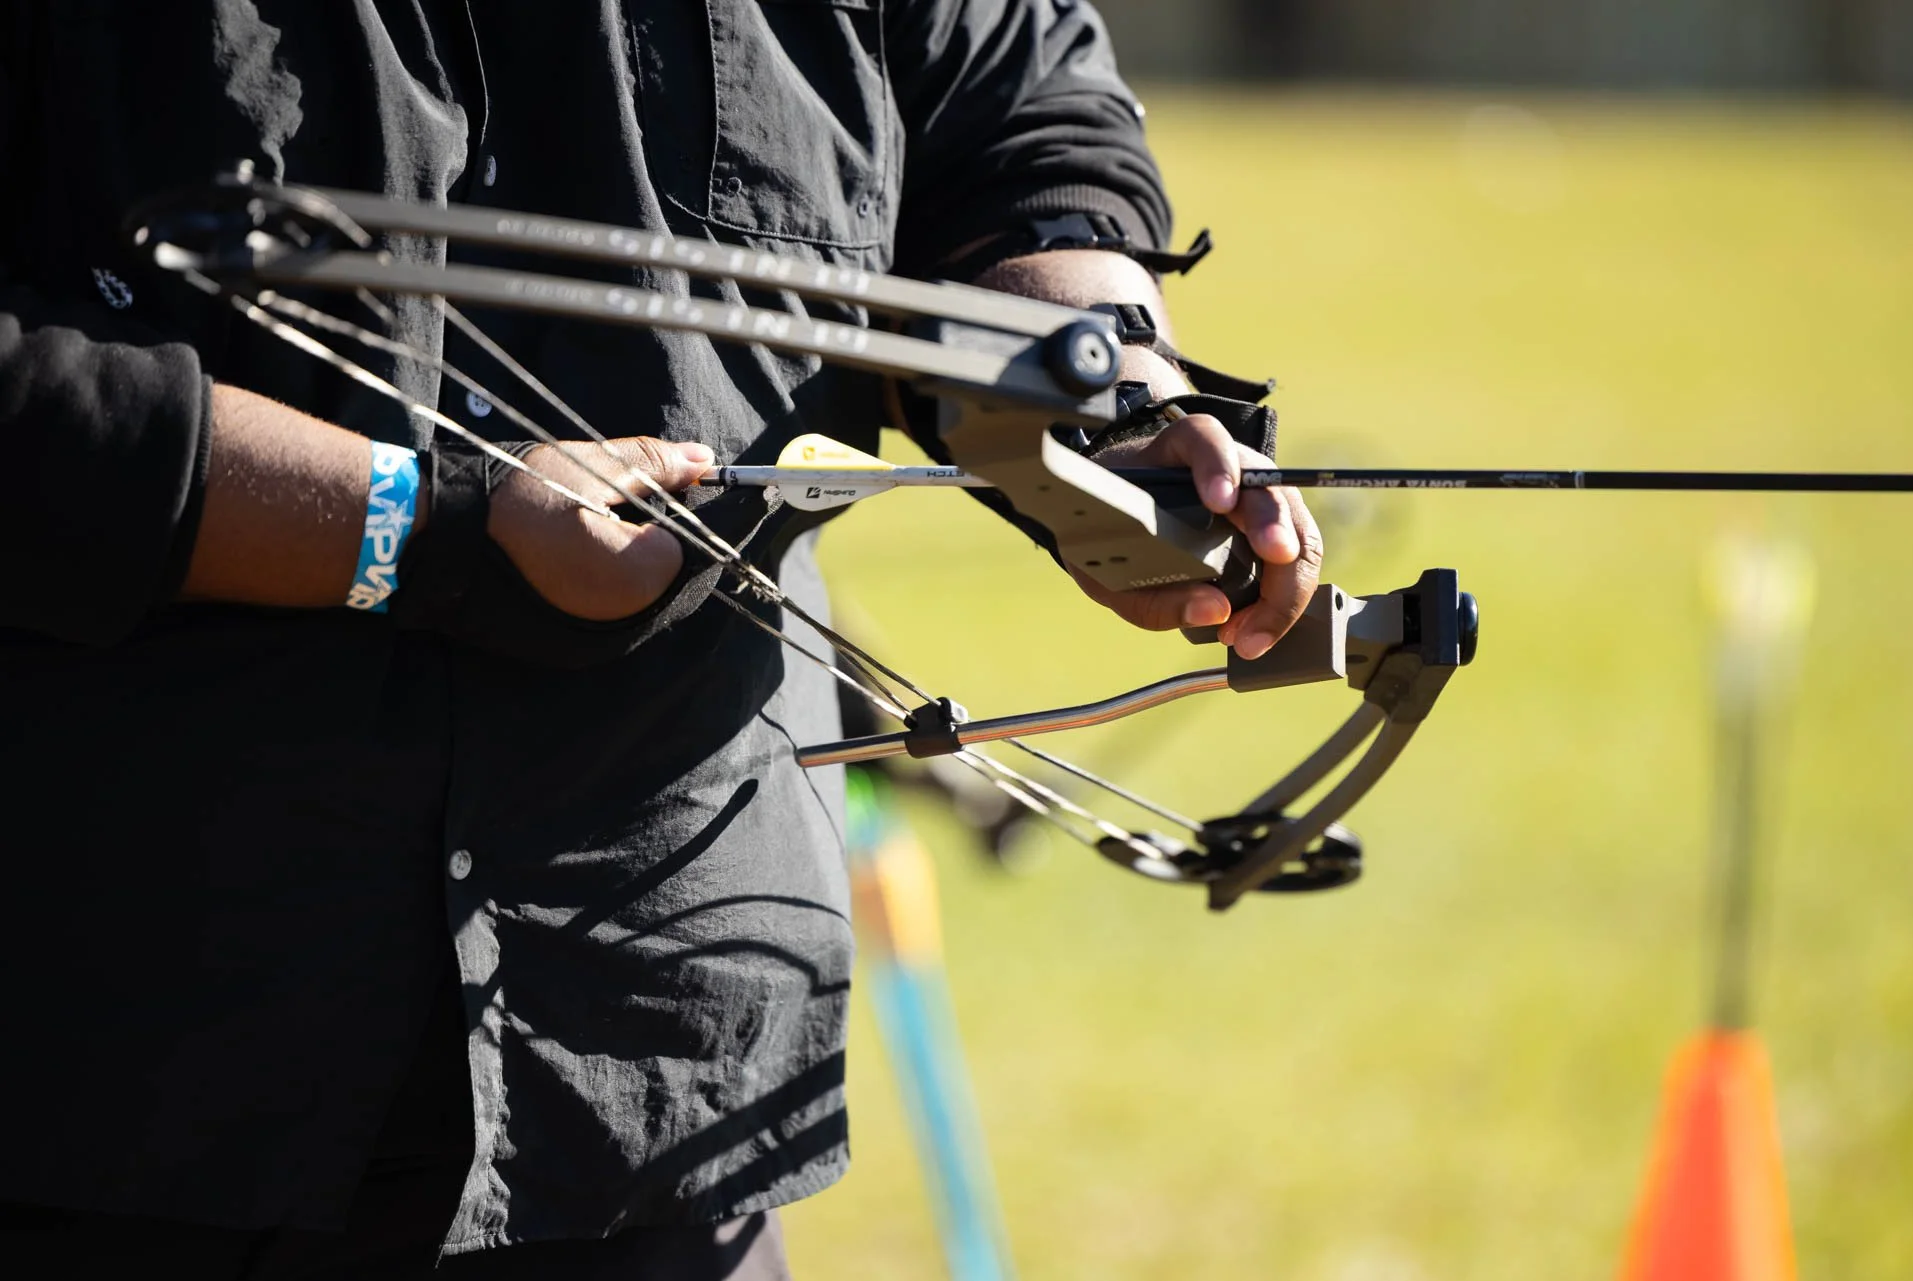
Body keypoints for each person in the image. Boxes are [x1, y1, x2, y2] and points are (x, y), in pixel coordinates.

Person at [0, 2, 1321, 1275]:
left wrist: (1109, 408)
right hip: (114, 1063)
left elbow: (1012, 120)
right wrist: (429, 528)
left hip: (661, 1062)